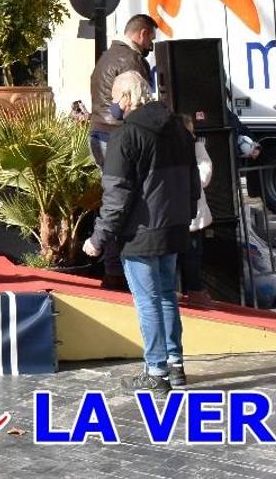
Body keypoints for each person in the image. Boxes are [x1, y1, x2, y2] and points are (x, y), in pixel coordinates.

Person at [83, 71, 199, 392]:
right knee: (167, 296)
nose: (113, 104)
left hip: (140, 233)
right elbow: (192, 180)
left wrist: (98, 239)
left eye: (114, 97)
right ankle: (175, 365)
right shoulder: (178, 128)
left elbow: (116, 195)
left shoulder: (126, 136)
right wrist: (187, 217)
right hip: (173, 228)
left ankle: (156, 372)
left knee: (148, 301)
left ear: (126, 97)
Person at [88, 13, 157, 290]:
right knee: (125, 201)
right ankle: (119, 270)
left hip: (100, 132)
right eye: (151, 38)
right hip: (118, 134)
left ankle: (113, 269)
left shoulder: (107, 56)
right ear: (142, 34)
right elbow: (140, 102)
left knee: (114, 197)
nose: (151, 45)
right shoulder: (131, 60)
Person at [179, 114, 214, 308]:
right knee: (180, 254)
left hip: (192, 212)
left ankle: (194, 290)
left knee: (193, 254)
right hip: (176, 212)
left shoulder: (196, 148)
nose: (192, 135)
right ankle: (180, 290)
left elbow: (204, 176)